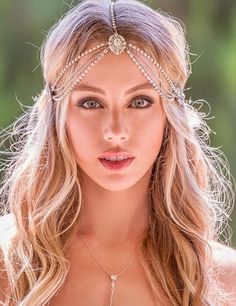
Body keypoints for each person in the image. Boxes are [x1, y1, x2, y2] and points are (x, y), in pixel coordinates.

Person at [0, 0, 236, 305]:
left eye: (139, 102)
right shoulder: (8, 266)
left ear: (169, 116)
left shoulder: (223, 282)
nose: (115, 131)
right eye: (90, 103)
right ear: (57, 117)